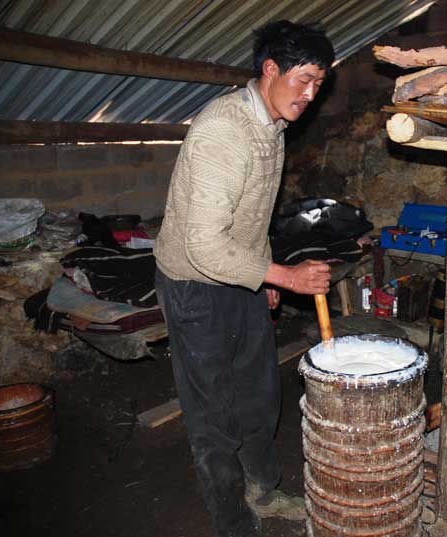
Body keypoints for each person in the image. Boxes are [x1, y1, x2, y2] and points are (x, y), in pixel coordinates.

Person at [153, 21, 334, 537]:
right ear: (270, 69)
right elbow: (204, 246)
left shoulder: (273, 126)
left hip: (241, 275)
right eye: (304, 79)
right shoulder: (224, 131)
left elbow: (253, 214)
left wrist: (265, 274)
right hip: (194, 285)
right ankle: (231, 520)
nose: (311, 94)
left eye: (319, 84)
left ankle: (265, 490)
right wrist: (288, 276)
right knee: (213, 412)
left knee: (259, 394)